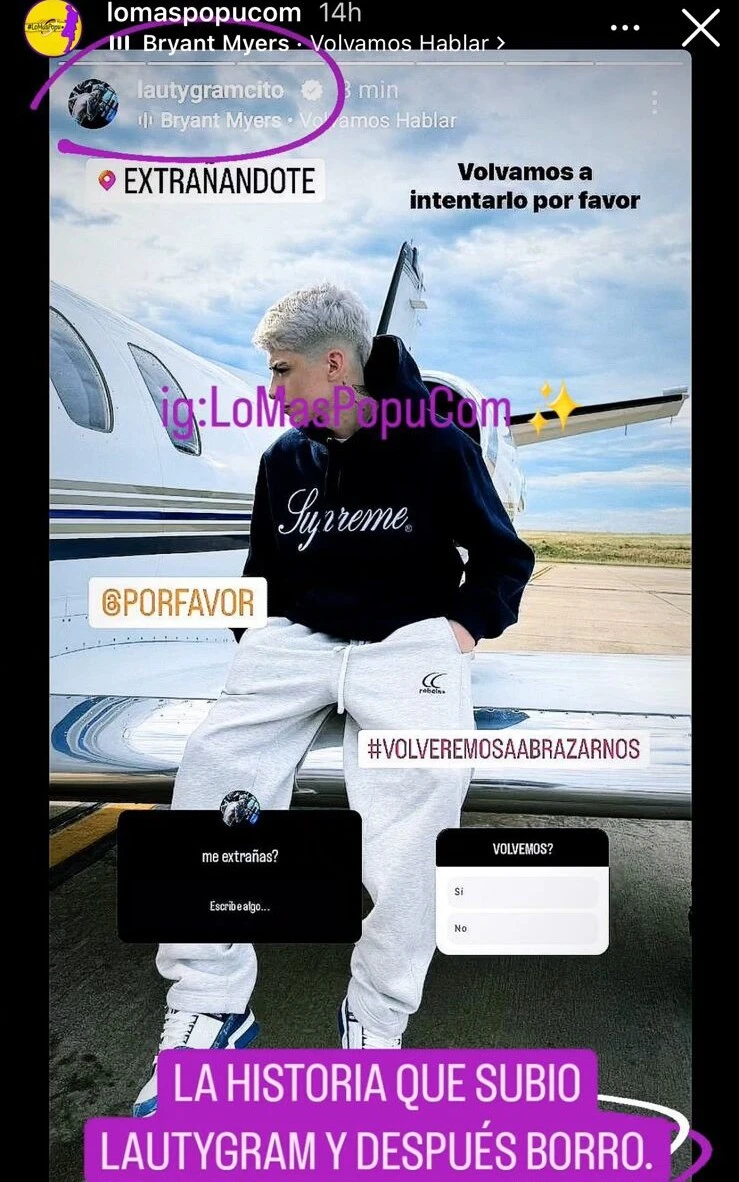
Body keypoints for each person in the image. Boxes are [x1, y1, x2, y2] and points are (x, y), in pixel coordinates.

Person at [133, 283, 535, 1117]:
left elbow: (503, 558)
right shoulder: (283, 458)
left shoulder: (438, 447)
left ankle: (374, 1021)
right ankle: (209, 1007)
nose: (271, 387)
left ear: (335, 364)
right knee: (210, 771)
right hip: (297, 641)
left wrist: (460, 631)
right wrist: (257, 639)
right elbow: (262, 568)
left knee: (418, 808)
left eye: (282, 370)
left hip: (406, 642)